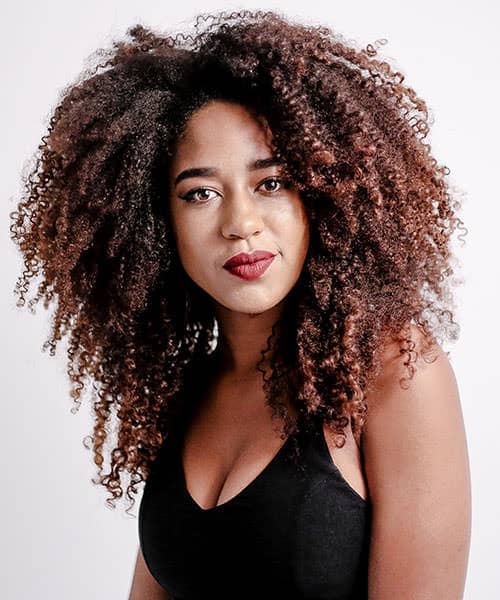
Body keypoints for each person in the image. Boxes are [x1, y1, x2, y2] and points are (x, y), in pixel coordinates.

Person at [10, 9, 471, 600]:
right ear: (155, 224)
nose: (241, 223)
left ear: (322, 194)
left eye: (271, 183)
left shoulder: (392, 372)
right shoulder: (188, 389)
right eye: (200, 193)